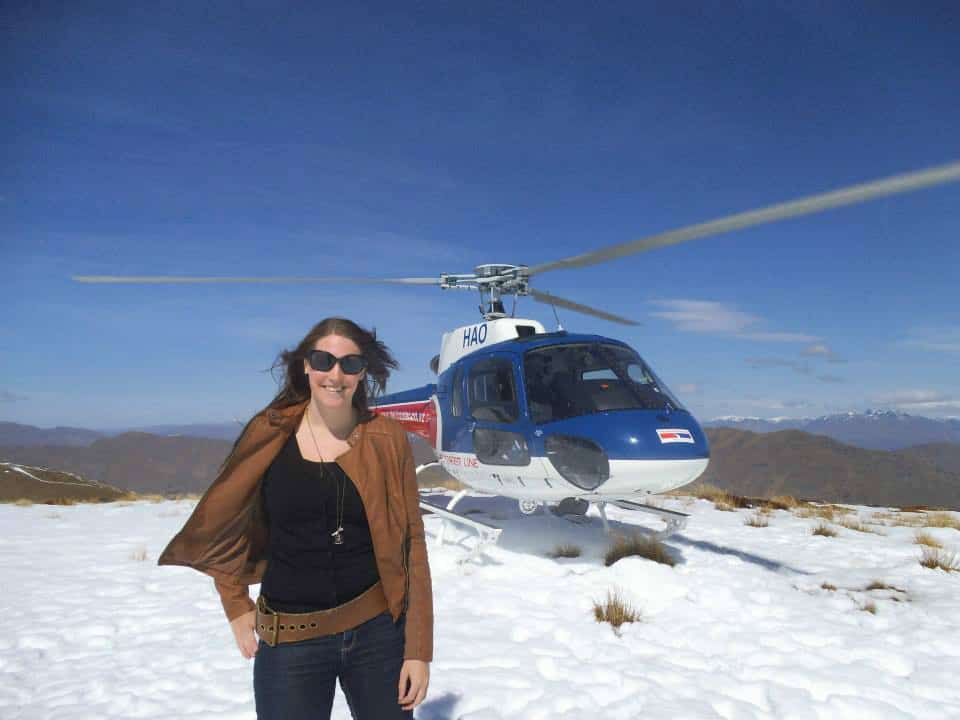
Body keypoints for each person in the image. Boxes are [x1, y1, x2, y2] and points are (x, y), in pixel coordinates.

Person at [158, 317, 433, 719]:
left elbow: (413, 541)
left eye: (350, 364)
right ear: (305, 366)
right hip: (290, 641)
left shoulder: (387, 438)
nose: (335, 374)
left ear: (363, 373)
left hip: (377, 632)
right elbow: (230, 513)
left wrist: (418, 650)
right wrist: (235, 603)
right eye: (323, 360)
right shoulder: (269, 432)